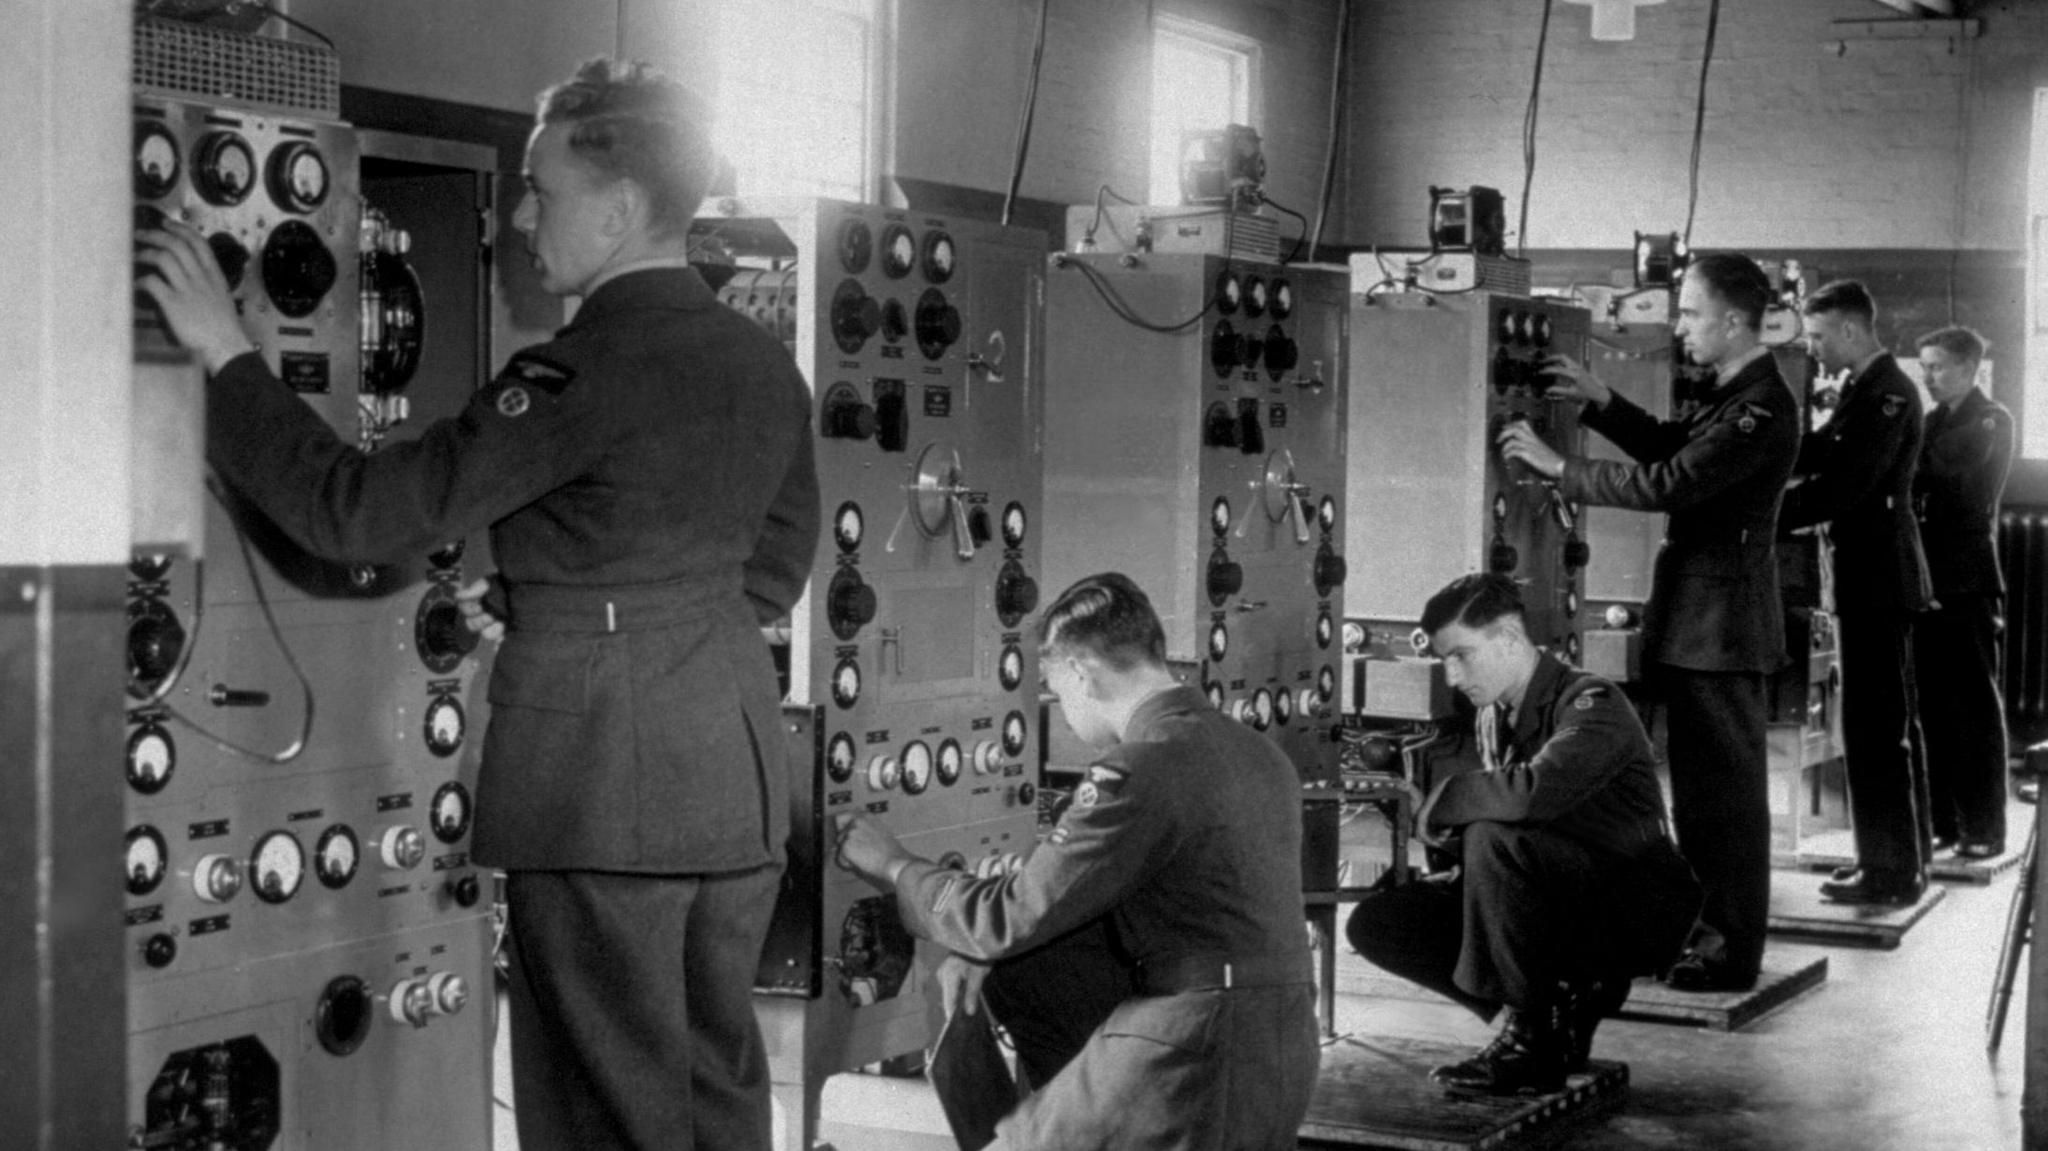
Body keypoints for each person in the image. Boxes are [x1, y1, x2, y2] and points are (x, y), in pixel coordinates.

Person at [137, 58, 821, 1149]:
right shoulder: (755, 362)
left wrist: (226, 354)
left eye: (540, 190)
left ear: (618, 207)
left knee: (608, 1107)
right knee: (711, 1085)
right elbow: (773, 561)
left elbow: (355, 515)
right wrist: (561, 596)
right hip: (730, 779)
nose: (520, 213)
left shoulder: (582, 371)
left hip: (603, 784)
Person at [833, 573, 1320, 1149]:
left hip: (1195, 1047)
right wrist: (997, 957)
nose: (1062, 713)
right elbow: (1183, 906)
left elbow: (1008, 916)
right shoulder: (1254, 751)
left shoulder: (1141, 768)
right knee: (1019, 976)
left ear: (1081, 673)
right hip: (1277, 1040)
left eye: (1055, 691)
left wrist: (893, 865)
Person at [1498, 252, 1799, 993]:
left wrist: (1558, 467)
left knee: (1723, 802)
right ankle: (1699, 933)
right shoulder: (1738, 393)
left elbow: (1672, 481)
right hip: (1701, 624)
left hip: (1721, 631)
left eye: (1692, 314)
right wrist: (1601, 402)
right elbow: (1673, 446)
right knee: (1697, 796)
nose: (1681, 327)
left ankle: (1729, 951)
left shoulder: (1763, 406)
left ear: (1733, 321)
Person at [1345, 574, 1700, 1095]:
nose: (1451, 675)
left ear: (1510, 640)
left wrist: (1444, 802)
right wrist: (1443, 841)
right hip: (1561, 892)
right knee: (1382, 922)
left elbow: (1533, 793)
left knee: (1493, 835)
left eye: (1462, 655)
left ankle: (1530, 1043)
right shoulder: (1494, 715)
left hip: (1634, 907)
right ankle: (1557, 1008)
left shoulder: (1593, 701)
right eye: (1444, 659)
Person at [1780, 280, 1933, 906]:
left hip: (1878, 580)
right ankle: (1892, 859)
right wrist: (1759, 452)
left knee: (1876, 728)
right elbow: (1820, 450)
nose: (1812, 349)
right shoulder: (1865, 390)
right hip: (1868, 578)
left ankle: (1893, 871)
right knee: (1875, 725)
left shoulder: (1889, 393)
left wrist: (1762, 513)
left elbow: (1846, 485)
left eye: (1816, 336)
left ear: (1848, 330)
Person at [1912, 326, 2014, 859]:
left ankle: (1984, 829)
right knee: (1930, 706)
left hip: (1966, 582)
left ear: (1970, 369)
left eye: (1938, 367)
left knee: (1972, 707)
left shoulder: (1990, 420)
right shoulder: (1930, 423)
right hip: (1928, 579)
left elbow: (1950, 478)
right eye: (1924, 367)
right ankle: (1945, 824)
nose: (1927, 377)